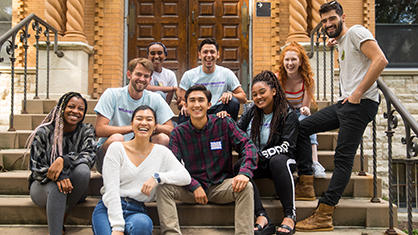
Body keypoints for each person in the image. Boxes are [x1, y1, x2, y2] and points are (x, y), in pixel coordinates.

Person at [295, 1, 388, 231]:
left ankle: (325, 214)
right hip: (346, 104)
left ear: (342, 17)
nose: (328, 24)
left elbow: (380, 60)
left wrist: (357, 93)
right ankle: (306, 185)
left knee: (343, 159)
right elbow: (356, 59)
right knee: (303, 127)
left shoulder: (357, 31)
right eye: (324, 21)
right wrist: (335, 44)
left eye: (332, 19)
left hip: (360, 104)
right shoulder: (343, 40)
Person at [156, 85, 257, 235]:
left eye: (201, 100)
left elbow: (248, 146)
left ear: (209, 105)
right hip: (191, 188)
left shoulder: (223, 123)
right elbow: (174, 167)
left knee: (246, 186)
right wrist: (194, 185)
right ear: (186, 105)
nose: (197, 104)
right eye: (192, 101)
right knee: (163, 188)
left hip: (220, 186)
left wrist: (244, 172)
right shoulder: (178, 133)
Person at [91, 105, 191, 235]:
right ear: (132, 124)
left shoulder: (161, 152)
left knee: (142, 226)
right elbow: (111, 190)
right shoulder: (116, 149)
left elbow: (185, 176)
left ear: (155, 126)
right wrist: (118, 228)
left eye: (149, 119)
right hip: (108, 207)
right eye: (139, 118)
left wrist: (157, 178)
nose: (144, 122)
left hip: (137, 209)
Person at [234, 70, 299, 235]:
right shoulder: (251, 111)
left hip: (282, 162)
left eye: (262, 92)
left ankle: (289, 215)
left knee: (278, 161)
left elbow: (287, 146)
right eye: (254, 94)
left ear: (274, 91)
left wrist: (258, 156)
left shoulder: (288, 114)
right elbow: (236, 134)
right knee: (239, 165)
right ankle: (261, 215)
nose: (258, 97)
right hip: (259, 162)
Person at [27, 92, 96, 235]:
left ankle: (62, 216)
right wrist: (59, 175)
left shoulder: (86, 130)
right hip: (42, 186)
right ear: (61, 108)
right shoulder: (44, 132)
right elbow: (36, 167)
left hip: (76, 188)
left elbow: (89, 155)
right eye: (71, 106)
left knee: (83, 170)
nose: (75, 111)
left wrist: (64, 160)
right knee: (56, 186)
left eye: (80, 109)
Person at [94, 58, 174, 174]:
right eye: (138, 74)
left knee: (163, 138)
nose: (142, 79)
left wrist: (152, 127)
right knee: (117, 138)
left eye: (146, 76)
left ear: (150, 79)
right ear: (129, 75)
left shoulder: (155, 99)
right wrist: (134, 128)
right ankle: (115, 180)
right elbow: (99, 129)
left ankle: (148, 175)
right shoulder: (112, 94)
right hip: (107, 157)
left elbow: (170, 129)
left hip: (140, 152)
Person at [276, 41, 326, 201]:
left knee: (305, 120)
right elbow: (278, 105)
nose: (290, 64)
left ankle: (315, 162)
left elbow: (305, 106)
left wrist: (305, 110)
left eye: (293, 60)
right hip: (284, 112)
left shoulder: (307, 79)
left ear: (300, 62)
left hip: (299, 112)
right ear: (283, 62)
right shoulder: (278, 78)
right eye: (287, 60)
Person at [176, 38, 247, 123]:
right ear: (199, 55)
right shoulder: (189, 75)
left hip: (220, 112)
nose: (209, 55)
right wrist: (184, 105)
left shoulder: (227, 73)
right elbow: (181, 102)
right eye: (205, 52)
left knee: (233, 101)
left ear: (218, 54)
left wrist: (231, 94)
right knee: (184, 113)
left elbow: (243, 98)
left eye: (212, 52)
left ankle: (228, 131)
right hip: (198, 110)